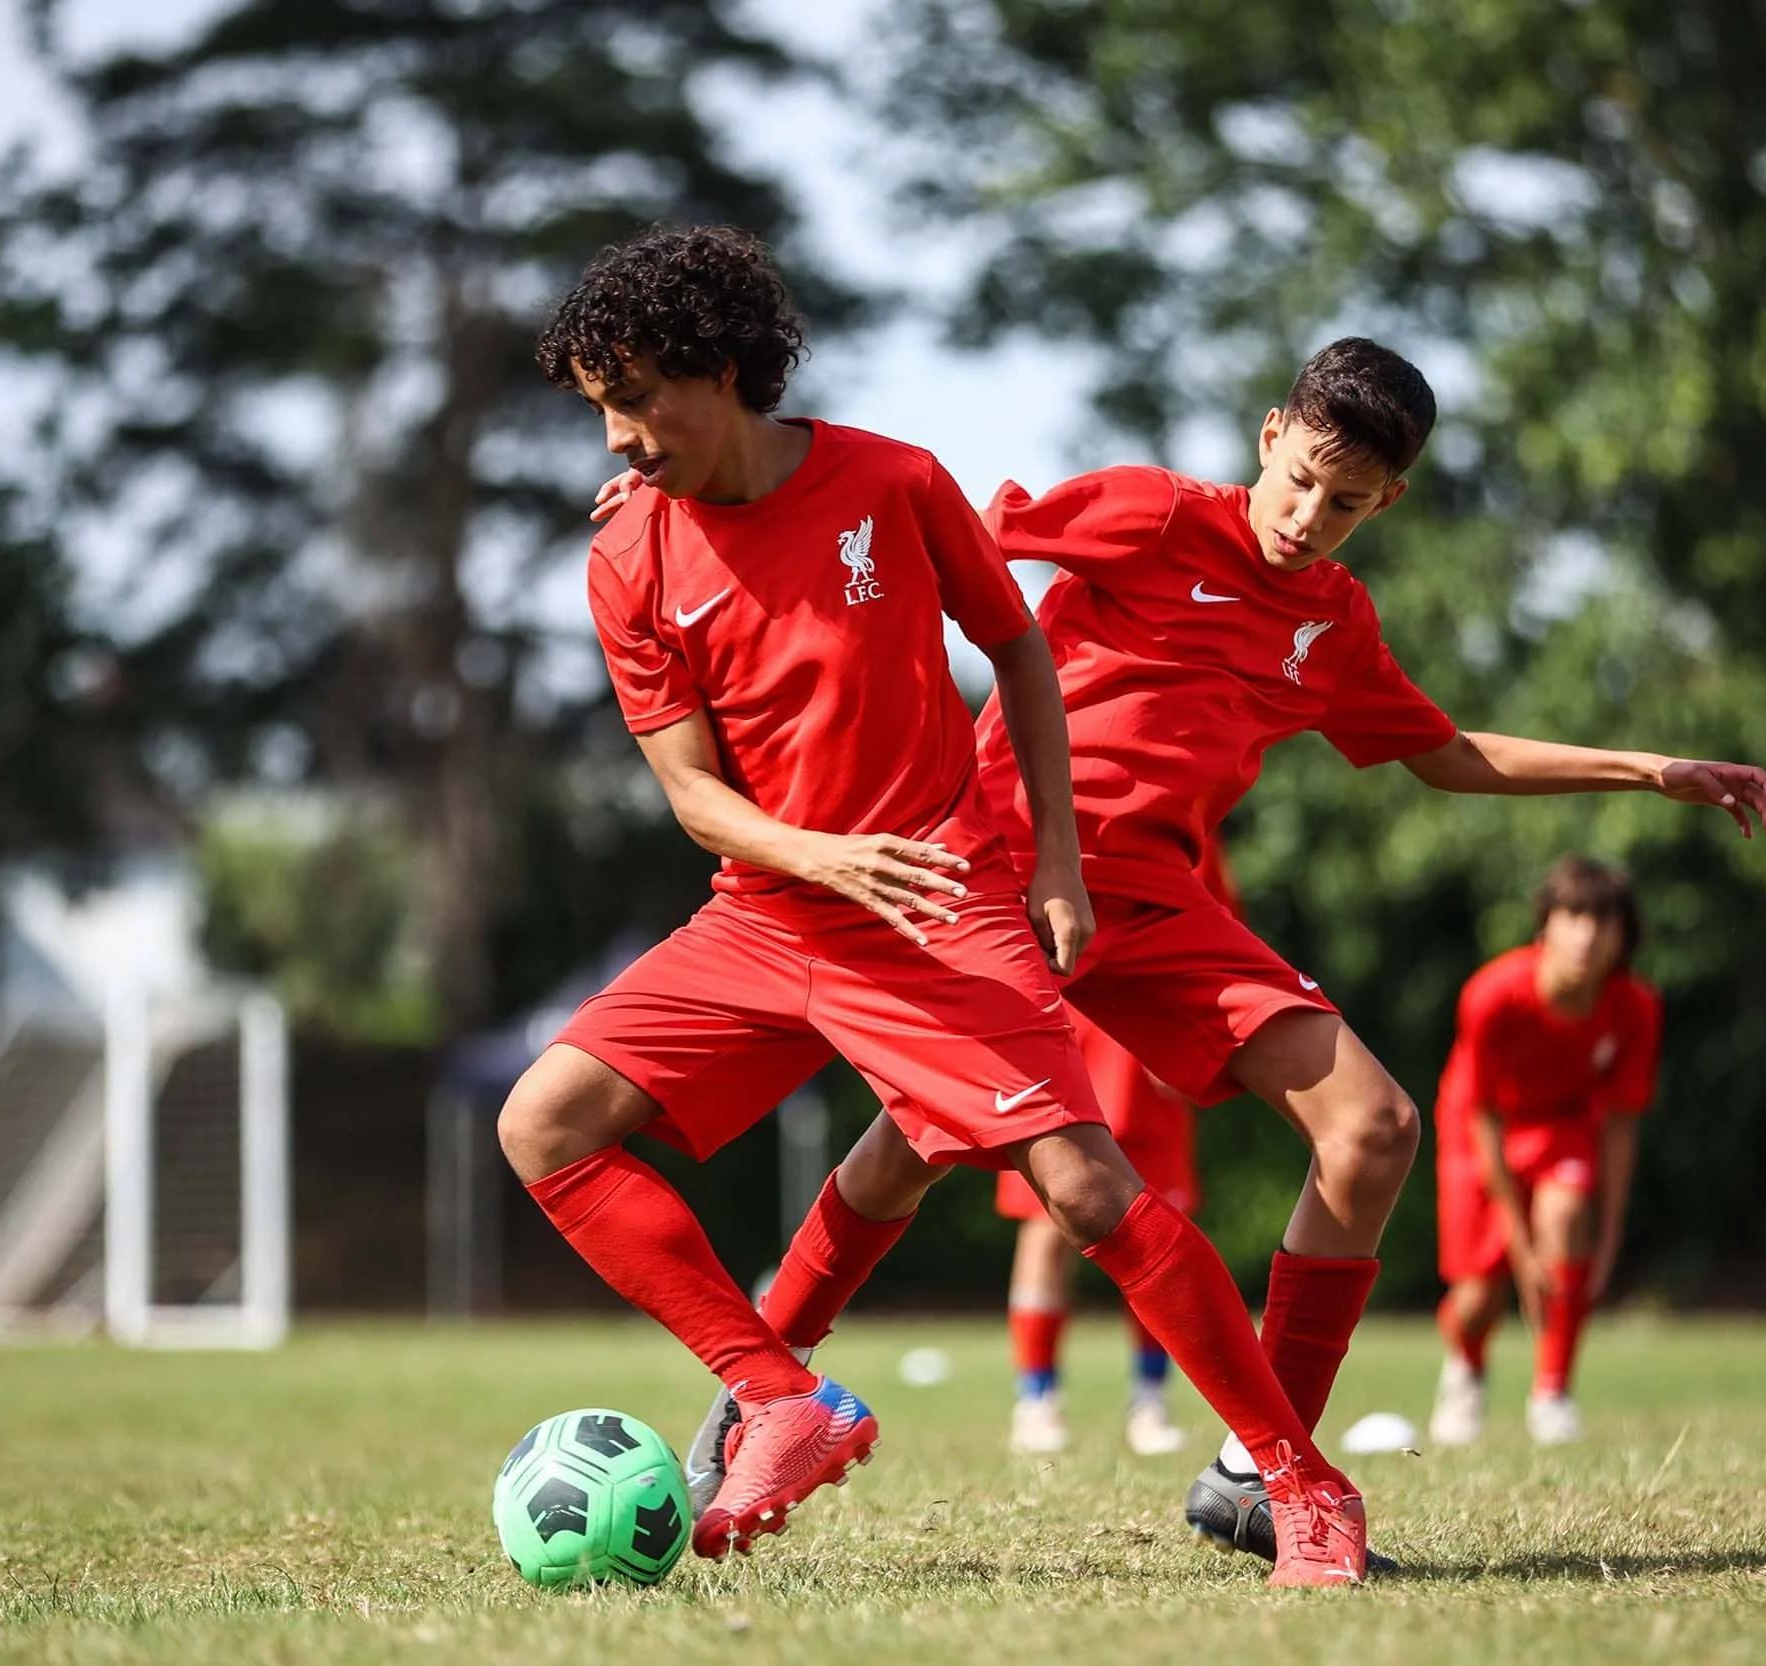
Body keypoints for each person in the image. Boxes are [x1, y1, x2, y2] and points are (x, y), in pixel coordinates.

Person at [614, 335, 1766, 1567]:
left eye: (1345, 503)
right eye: (1300, 479)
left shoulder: (1334, 620)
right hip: (1004, 874)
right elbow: (922, 529)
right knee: (912, 1144)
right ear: (1270, 436)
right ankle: (759, 1392)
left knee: (1374, 1128)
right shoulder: (1153, 514)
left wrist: (1646, 769)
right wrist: (692, 487)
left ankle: (1254, 1476)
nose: (1307, 517)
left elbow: (1446, 752)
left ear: (1387, 502)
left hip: (1158, 906)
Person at [506, 224, 1366, 1585]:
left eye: (635, 400)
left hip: (935, 897)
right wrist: (818, 856)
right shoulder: (626, 558)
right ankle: (778, 1395)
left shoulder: (893, 482)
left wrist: (1056, 861)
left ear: (720, 372)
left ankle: (1301, 1483)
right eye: (600, 409)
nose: (615, 437)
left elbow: (1018, 646)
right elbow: (693, 797)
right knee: (542, 1123)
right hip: (766, 909)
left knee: (1086, 1187)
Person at [999, 841, 1237, 1459]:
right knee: (1045, 1231)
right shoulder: (1023, 818)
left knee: (1158, 1230)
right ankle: (1036, 1400)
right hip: (1052, 1044)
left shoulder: (1186, 835)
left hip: (1143, 1056)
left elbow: (1216, 936)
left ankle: (1150, 1400)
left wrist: (1189, 1032)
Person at [1430, 857, 1662, 1447]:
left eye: (1603, 921)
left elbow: (1620, 1124)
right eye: (1573, 916)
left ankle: (1553, 1392)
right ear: (1544, 927)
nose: (1587, 935)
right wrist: (1518, 1242)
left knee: (1565, 1215)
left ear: (1623, 938)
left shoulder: (1634, 1008)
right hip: (1479, 1128)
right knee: (1477, 1298)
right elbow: (1482, 1112)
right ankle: (1465, 1370)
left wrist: (1607, 1237)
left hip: (1561, 1125)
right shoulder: (1491, 996)